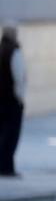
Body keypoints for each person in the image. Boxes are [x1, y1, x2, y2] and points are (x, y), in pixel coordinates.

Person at [0, 24, 24, 177]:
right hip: (12, 101)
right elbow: (19, 78)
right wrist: (20, 98)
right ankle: (6, 166)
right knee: (10, 136)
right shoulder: (14, 51)